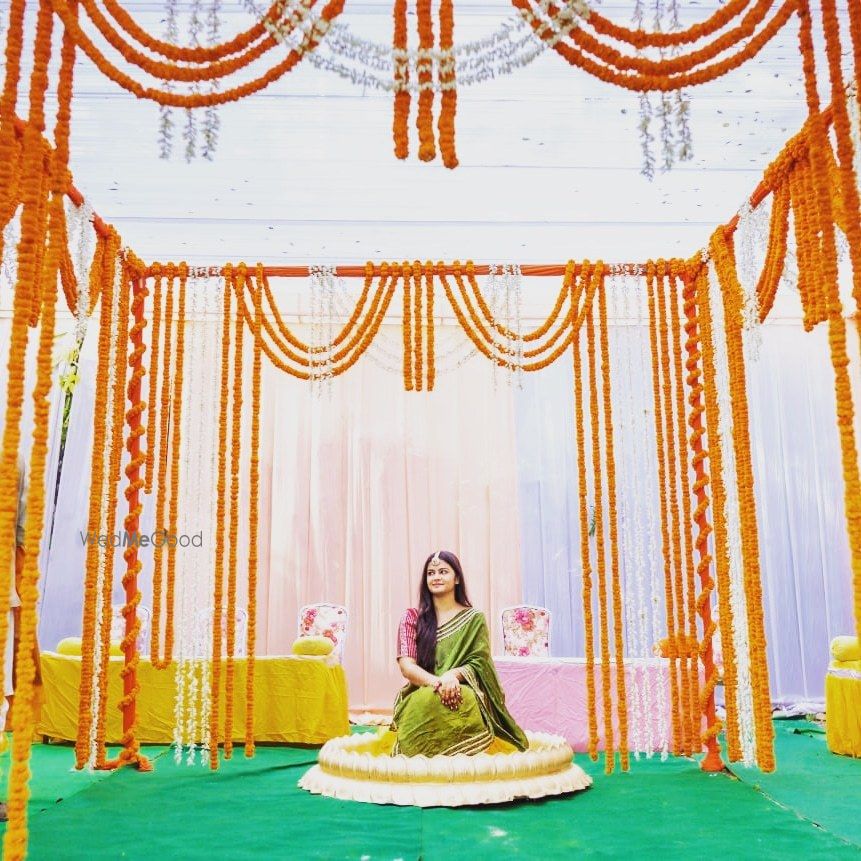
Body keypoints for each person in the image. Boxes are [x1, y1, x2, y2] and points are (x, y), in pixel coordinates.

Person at [391, 550, 528, 757]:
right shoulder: (412, 618)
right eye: (431, 573)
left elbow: (479, 662)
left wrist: (452, 676)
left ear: (456, 578)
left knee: (466, 699)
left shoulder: (473, 618)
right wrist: (438, 683)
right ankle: (419, 761)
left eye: (443, 571)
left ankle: (465, 761)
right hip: (423, 687)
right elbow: (406, 666)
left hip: (461, 688)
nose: (436, 577)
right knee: (425, 700)